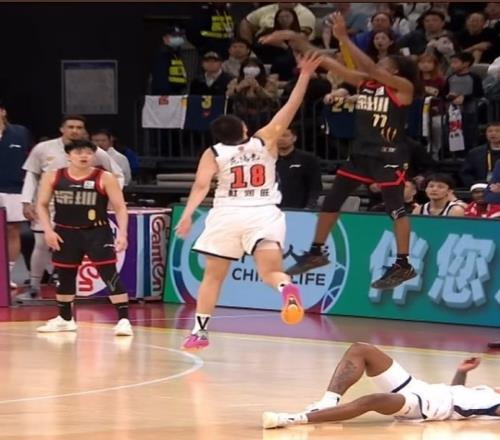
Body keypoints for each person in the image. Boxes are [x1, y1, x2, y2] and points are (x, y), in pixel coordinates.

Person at [261, 13, 420, 289]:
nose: (378, 64)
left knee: (395, 209)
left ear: (395, 71)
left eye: (384, 63)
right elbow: (322, 60)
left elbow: (371, 69)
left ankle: (403, 264)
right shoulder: (365, 83)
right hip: (361, 154)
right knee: (331, 201)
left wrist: (344, 38)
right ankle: (316, 252)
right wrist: (293, 37)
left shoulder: (404, 88)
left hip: (388, 155)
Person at [175, 53, 322, 351]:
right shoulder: (264, 139)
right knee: (270, 272)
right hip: (265, 213)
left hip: (228, 215)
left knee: (213, 277)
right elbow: (291, 106)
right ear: (243, 129)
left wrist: (187, 215)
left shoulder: (214, 153)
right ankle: (286, 288)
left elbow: (201, 186)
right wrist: (305, 75)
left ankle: (200, 332)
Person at [262, 342, 500, 429]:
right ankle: (327, 402)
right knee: (361, 349)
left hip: (426, 407)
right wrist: (461, 372)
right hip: (422, 388)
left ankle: (295, 419)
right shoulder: (489, 391)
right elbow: (459, 395)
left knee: (373, 400)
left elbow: (461, 407)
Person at [20, 115, 123, 300]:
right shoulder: (43, 148)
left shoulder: (95, 152)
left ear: (84, 130)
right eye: (71, 127)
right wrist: (26, 201)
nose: (75, 130)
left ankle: (65, 284)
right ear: (62, 129)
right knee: (42, 244)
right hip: (49, 202)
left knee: (82, 252)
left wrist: (111, 197)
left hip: (81, 205)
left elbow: (117, 174)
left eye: (79, 127)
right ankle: (35, 286)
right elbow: (31, 175)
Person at [35, 139, 132, 336]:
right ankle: (65, 319)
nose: (84, 156)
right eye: (78, 152)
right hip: (65, 232)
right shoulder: (53, 176)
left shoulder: (105, 177)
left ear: (94, 155)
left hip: (97, 232)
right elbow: (41, 205)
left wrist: (122, 234)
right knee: (65, 276)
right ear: (68, 155)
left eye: (88, 152)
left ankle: (123, 320)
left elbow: (120, 207)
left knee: (109, 274)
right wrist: (48, 230)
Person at [0, 99, 32, 289]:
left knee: (13, 230)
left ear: (3, 111)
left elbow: (29, 160)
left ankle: (7, 274)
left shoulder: (20, 132)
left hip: (14, 189)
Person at [276, 127, 322, 209]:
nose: (281, 139)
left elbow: (315, 186)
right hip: (273, 210)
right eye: (278, 135)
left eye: (285, 135)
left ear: (294, 138)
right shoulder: (268, 159)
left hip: (299, 210)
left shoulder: (308, 159)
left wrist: (309, 207)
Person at [150, 26, 188, 95]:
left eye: (179, 35)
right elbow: (161, 81)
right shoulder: (162, 55)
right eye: (174, 36)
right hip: (165, 96)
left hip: (176, 94)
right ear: (165, 38)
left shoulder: (175, 54)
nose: (178, 38)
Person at [460, 122, 500, 187]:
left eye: (497, 131)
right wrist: (475, 186)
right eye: (490, 131)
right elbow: (466, 173)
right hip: (481, 187)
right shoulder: (475, 153)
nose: (493, 133)